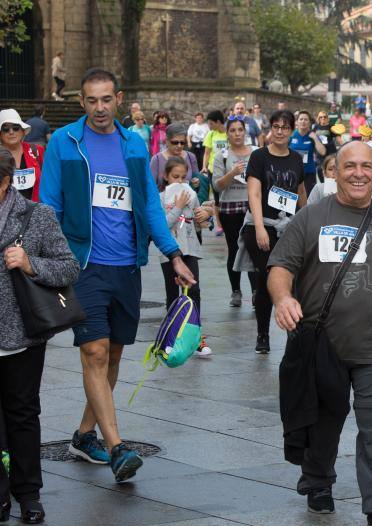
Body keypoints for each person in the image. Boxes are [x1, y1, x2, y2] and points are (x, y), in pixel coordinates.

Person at [39, 67, 196, 483]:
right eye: (91, 100)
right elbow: (49, 205)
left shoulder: (133, 144)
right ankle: (117, 447)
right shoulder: (64, 142)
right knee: (94, 352)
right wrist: (54, 261)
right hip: (84, 265)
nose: (99, 108)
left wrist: (174, 255)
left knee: (113, 357)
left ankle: (84, 435)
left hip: (127, 265)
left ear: (119, 98)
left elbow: (146, 206)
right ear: (81, 103)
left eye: (106, 99)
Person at [267, 140, 372, 526]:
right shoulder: (311, 216)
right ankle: (317, 478)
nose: (358, 173)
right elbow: (280, 267)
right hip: (323, 345)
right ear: (335, 171)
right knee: (323, 422)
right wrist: (282, 299)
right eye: (350, 166)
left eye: (366, 166)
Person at [0, 146, 79, 524]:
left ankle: (28, 492)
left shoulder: (37, 216)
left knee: (22, 414)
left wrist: (30, 264)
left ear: (5, 182)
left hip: (21, 337)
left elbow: (69, 268)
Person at [240, 109, 306, 353]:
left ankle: (294, 330)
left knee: (294, 281)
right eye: (276, 127)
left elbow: (301, 194)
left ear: (291, 130)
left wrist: (307, 222)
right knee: (267, 280)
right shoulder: (259, 157)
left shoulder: (296, 159)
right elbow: (254, 193)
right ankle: (263, 334)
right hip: (262, 226)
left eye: (285, 127)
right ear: (271, 129)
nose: (280, 132)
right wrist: (259, 227)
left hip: (289, 229)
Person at [159, 157, 213, 357]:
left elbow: (198, 223)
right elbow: (162, 226)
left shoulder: (190, 194)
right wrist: (178, 206)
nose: (180, 181)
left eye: (183, 177)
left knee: (194, 291)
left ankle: (195, 336)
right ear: (166, 177)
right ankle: (170, 338)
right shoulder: (161, 197)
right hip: (170, 251)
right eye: (175, 177)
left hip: (191, 248)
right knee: (173, 294)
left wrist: (204, 215)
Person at [213, 118, 257, 307]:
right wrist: (232, 173)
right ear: (227, 134)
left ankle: (256, 291)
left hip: (251, 205)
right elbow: (217, 185)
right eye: (233, 130)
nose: (237, 133)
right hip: (229, 207)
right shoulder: (221, 155)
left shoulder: (255, 153)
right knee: (234, 248)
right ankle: (236, 291)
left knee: (253, 248)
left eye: (240, 130)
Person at [0, 109, 45, 202]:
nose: (11, 132)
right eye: (5, 129)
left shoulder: (37, 151)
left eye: (16, 127)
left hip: (34, 211)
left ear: (23, 131)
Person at [202, 110, 228, 237]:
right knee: (217, 199)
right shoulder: (211, 134)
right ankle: (219, 225)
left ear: (218, 122)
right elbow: (207, 152)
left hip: (229, 170)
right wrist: (204, 166)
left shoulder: (230, 133)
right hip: (214, 170)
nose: (210, 126)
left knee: (228, 197)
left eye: (211, 124)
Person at [149, 123, 199, 190]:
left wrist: (196, 183)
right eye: (175, 142)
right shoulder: (157, 159)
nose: (179, 146)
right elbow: (151, 187)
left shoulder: (191, 157)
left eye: (182, 142)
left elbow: (196, 181)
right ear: (167, 141)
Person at [290, 110, 326, 195]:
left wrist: (315, 138)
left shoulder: (312, 136)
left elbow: (323, 152)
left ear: (309, 123)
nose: (303, 121)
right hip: (293, 172)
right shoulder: (291, 135)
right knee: (293, 199)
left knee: (308, 199)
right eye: (301, 119)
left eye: (306, 120)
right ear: (297, 122)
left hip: (309, 173)